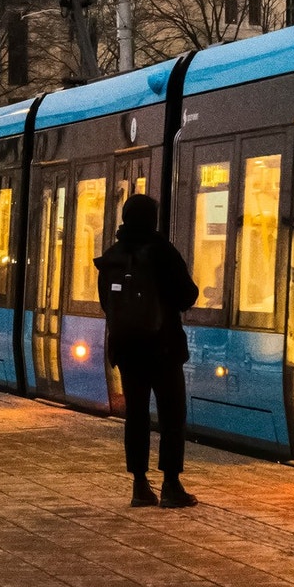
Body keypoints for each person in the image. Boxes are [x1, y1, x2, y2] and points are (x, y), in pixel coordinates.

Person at [94, 194, 199, 508]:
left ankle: (140, 486)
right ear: (152, 219)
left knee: (136, 416)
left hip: (127, 349)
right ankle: (171, 485)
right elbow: (186, 295)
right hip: (163, 347)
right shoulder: (162, 252)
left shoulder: (112, 256)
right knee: (171, 416)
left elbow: (106, 304)